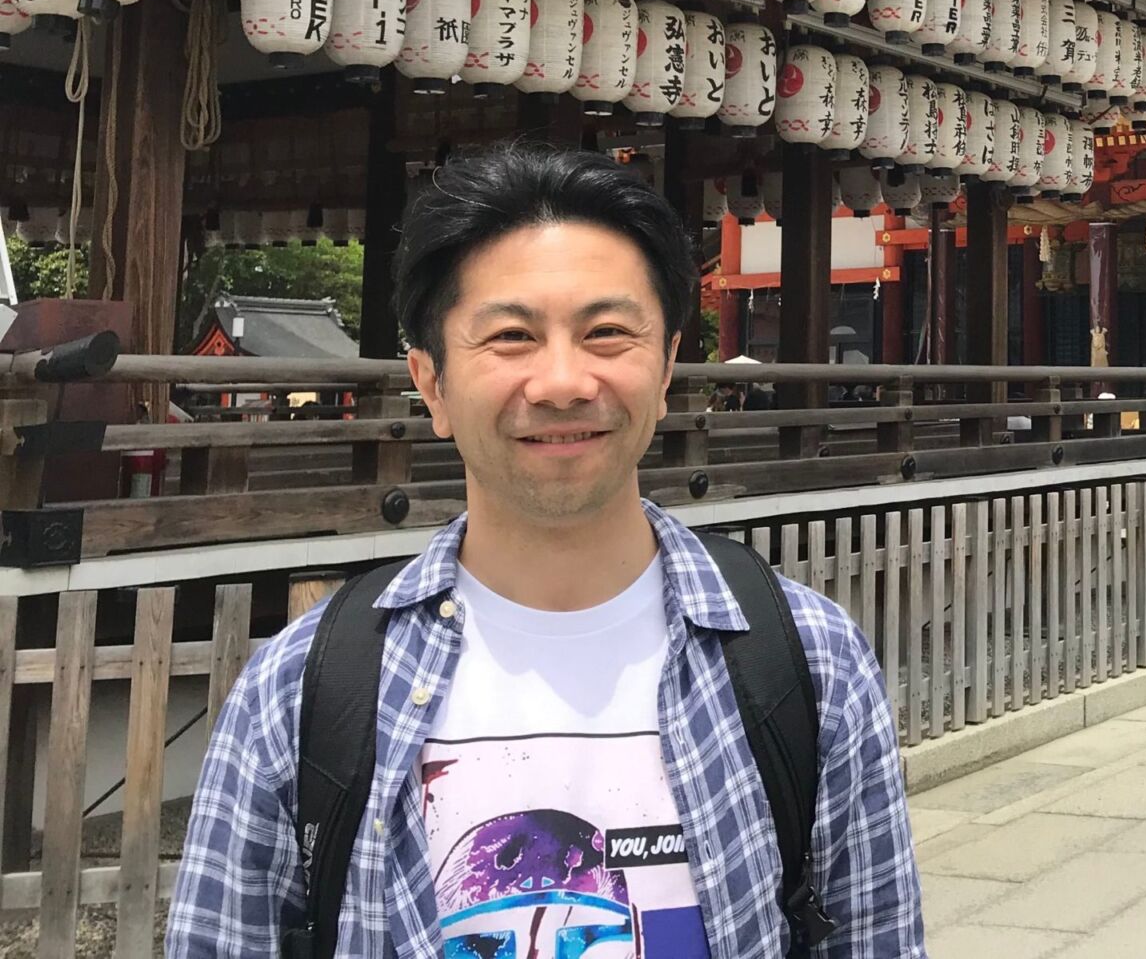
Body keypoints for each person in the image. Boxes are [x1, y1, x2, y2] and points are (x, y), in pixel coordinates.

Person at [167, 144, 926, 958]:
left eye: (607, 332)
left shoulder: (810, 664)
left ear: (667, 368)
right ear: (432, 383)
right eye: (511, 336)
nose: (562, 381)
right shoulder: (298, 691)